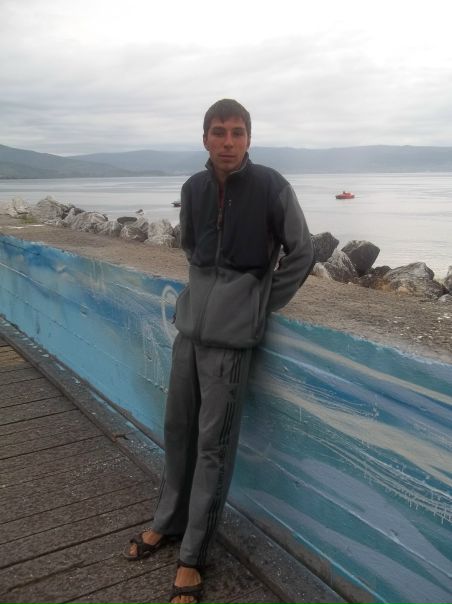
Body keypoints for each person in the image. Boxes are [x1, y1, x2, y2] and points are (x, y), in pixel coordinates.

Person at [124, 99, 314, 604]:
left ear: (249, 138)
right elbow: (191, 249)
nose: (228, 142)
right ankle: (167, 521)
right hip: (189, 330)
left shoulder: (272, 186)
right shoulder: (194, 189)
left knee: (214, 447)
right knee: (177, 431)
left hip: (232, 340)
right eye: (218, 132)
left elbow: (302, 252)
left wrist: (258, 305)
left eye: (236, 132)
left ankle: (194, 554)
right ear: (205, 138)